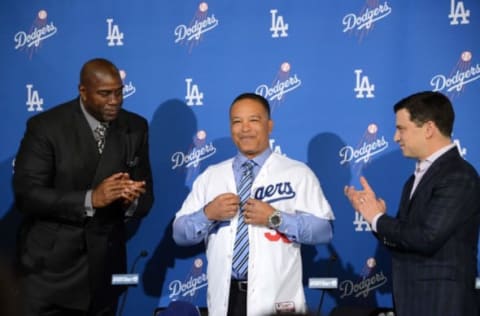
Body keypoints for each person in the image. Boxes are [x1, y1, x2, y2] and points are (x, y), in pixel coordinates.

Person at [13, 58, 154, 316]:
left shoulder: (136, 127)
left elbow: (146, 197)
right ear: (83, 92)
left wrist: (128, 199)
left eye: (119, 92)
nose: (115, 100)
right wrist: (91, 199)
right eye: (105, 94)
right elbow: (27, 195)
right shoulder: (46, 127)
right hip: (52, 272)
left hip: (105, 268)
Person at [173, 93, 334, 316]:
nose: (245, 128)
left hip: (277, 299)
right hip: (225, 298)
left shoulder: (296, 173)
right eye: (237, 122)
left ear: (269, 125)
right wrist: (208, 213)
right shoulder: (212, 176)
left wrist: (275, 218)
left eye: (254, 120)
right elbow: (179, 233)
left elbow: (324, 230)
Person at [344, 91, 480, 316]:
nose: (396, 137)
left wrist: (378, 219)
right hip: (412, 302)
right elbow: (406, 240)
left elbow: (427, 238)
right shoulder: (414, 179)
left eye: (401, 128)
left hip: (441, 305)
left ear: (428, 128)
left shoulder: (458, 175)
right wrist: (374, 217)